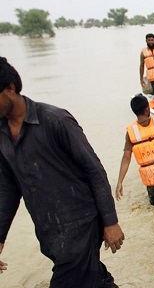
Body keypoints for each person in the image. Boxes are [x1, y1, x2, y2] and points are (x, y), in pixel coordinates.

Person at [0, 57, 125, 287]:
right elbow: (8, 190)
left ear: (10, 88)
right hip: (50, 233)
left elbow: (94, 170)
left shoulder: (55, 120)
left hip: (82, 226)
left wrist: (110, 222)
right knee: (94, 280)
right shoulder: (2, 137)